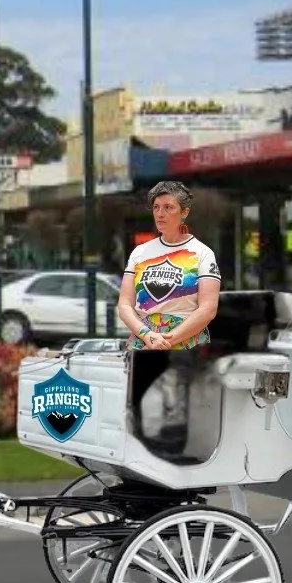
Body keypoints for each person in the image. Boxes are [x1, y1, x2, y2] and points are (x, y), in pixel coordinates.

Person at [115, 180, 222, 458]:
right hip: (144, 340)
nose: (160, 213)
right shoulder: (140, 253)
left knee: (176, 414)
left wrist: (171, 339)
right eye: (156, 208)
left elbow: (207, 308)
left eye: (168, 207)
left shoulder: (202, 254)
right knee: (135, 412)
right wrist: (146, 334)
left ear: (184, 212)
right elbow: (125, 303)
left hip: (186, 341)